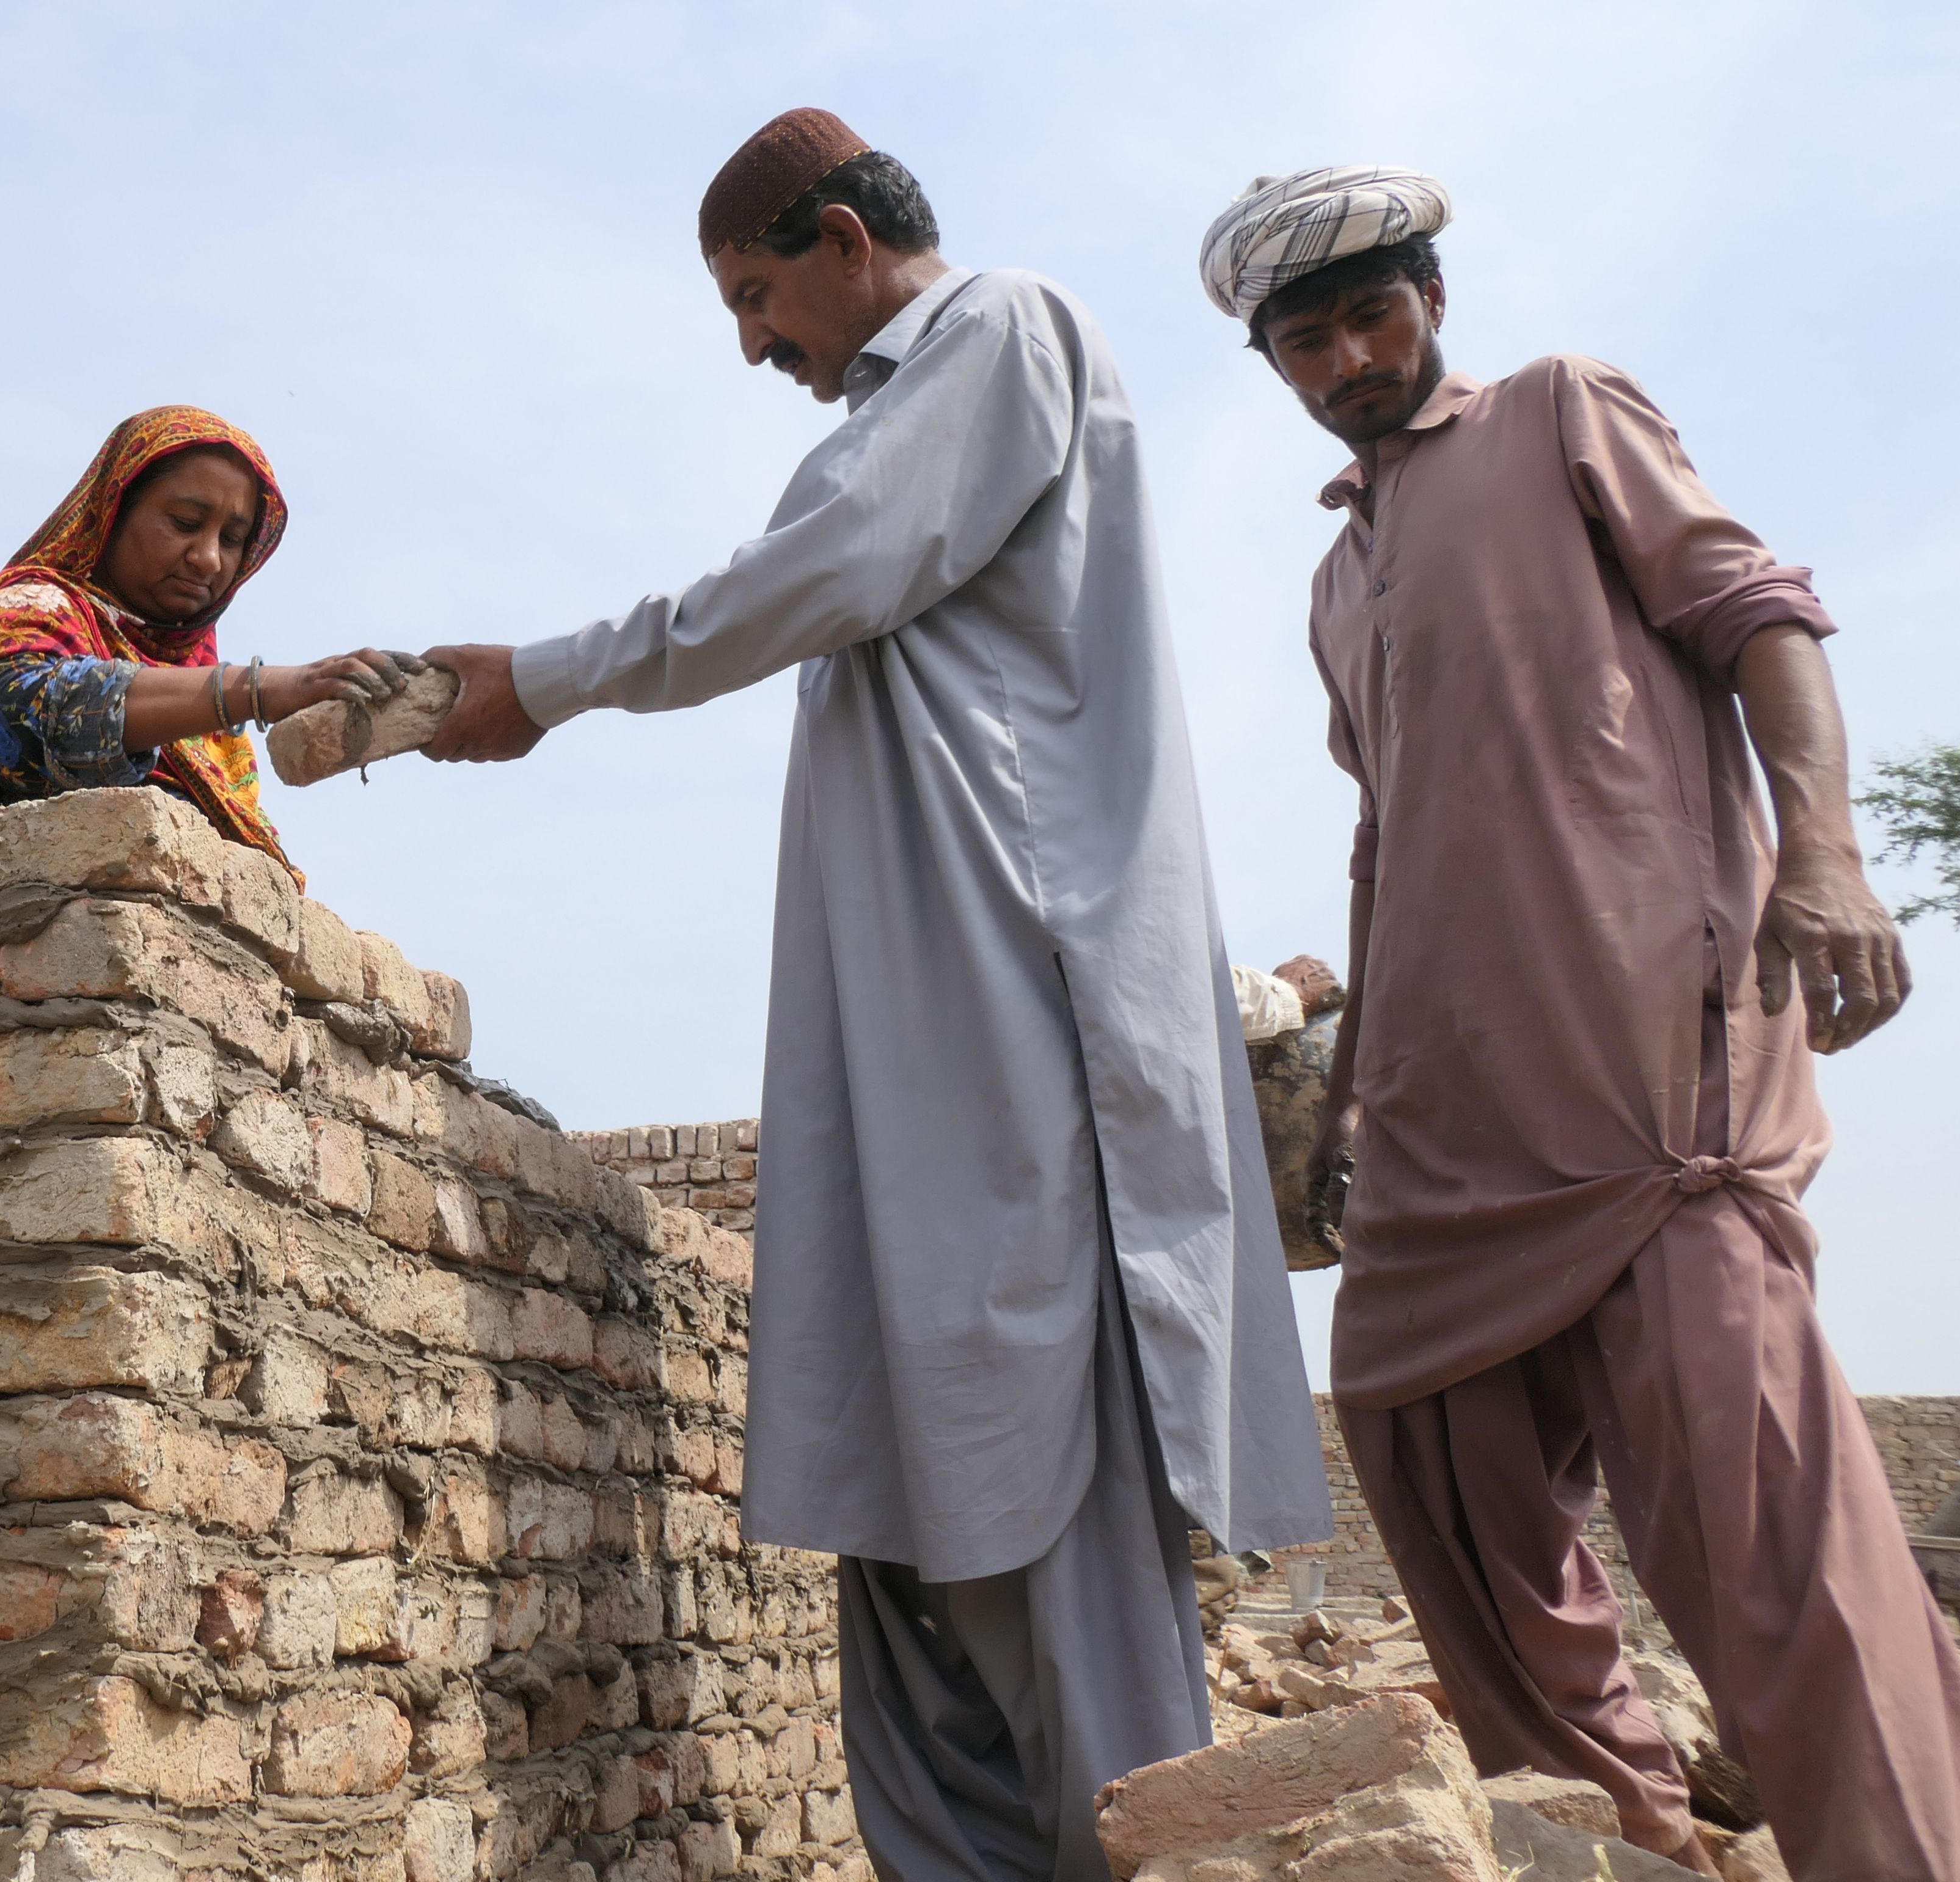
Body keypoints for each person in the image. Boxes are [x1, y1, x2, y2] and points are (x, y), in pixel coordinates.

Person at [422, 109, 1332, 1882]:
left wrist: (544, 678)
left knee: (1040, 1462)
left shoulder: (1001, 328)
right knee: (915, 1499)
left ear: (843, 241)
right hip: (922, 1022)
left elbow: (817, 572)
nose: (753, 346)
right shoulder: (897, 417)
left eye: (756, 299)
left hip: (1020, 1002)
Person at [1202, 166, 1960, 1878]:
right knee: (1421, 1442)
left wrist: (1825, 855)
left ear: (1432, 298)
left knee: (1759, 1533)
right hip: (1445, 1092)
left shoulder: (1562, 412)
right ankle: (1618, 1840)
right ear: (1271, 363)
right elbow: (1385, 839)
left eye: (1372, 316)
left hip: (1647, 1060)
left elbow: (1759, 615)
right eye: (1306, 341)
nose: (1349, 358)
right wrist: (1350, 1090)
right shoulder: (1334, 583)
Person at [0, 404, 424, 877]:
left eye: (232, 540)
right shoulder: (33, 609)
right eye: (186, 522)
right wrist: (261, 689)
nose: (208, 559)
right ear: (114, 510)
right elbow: (14, 728)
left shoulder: (216, 731)